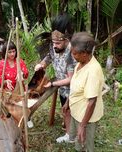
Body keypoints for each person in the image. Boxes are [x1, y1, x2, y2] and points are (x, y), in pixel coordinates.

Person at [34, 14, 76, 143]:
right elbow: (49, 57)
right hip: (62, 88)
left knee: (71, 112)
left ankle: (71, 136)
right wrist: (41, 65)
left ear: (66, 40)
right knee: (66, 111)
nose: (55, 45)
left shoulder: (72, 53)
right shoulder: (54, 47)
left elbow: (71, 79)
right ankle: (70, 131)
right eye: (53, 43)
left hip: (73, 90)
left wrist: (53, 84)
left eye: (58, 43)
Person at [67, 32, 104, 152]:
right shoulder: (81, 63)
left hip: (85, 116)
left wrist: (83, 125)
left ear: (84, 53)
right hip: (77, 111)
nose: (72, 55)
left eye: (75, 53)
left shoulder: (92, 71)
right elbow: (75, 84)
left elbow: (92, 101)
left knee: (85, 145)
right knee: (79, 142)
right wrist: (68, 102)